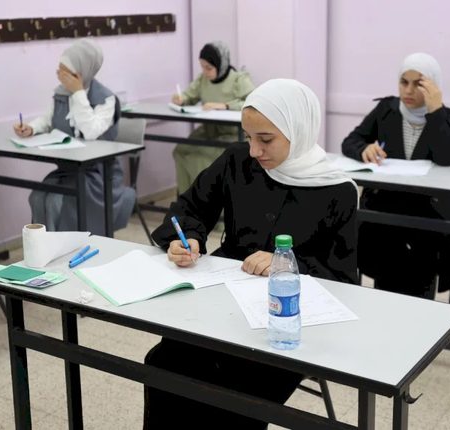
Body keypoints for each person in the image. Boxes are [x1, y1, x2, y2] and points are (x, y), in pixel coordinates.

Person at [144, 79, 358, 429]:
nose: (255, 150)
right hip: (223, 299)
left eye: (266, 139)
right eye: (248, 137)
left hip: (283, 326)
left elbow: (343, 277)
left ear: (298, 131)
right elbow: (190, 208)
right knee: (163, 365)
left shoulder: (336, 190)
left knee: (237, 396)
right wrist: (189, 238)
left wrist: (287, 266)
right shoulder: (237, 161)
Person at [341, 52, 450, 299]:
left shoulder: (447, 118)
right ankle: (386, 301)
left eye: (418, 83)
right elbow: (351, 141)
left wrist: (435, 111)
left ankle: (418, 305)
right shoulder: (386, 109)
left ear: (433, 86)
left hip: (429, 208)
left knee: (420, 247)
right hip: (386, 203)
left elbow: (446, 158)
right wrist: (364, 149)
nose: (408, 90)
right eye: (404, 82)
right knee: (383, 239)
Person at [13, 38, 135, 235]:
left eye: (65, 72)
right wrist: (31, 128)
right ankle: (43, 247)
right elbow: (48, 119)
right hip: (69, 170)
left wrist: (78, 93)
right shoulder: (61, 94)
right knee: (37, 197)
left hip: (98, 175)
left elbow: (91, 131)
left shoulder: (106, 99)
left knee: (56, 202)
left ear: (81, 73)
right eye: (59, 70)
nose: (60, 76)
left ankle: (63, 248)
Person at [171, 41, 255, 194]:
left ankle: (205, 201)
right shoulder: (203, 79)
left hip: (232, 134)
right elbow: (190, 95)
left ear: (220, 65)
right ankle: (185, 199)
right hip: (208, 131)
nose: (205, 72)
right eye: (202, 67)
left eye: (209, 68)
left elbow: (253, 103)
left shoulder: (239, 79)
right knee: (180, 151)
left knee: (200, 157)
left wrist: (225, 105)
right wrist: (181, 99)